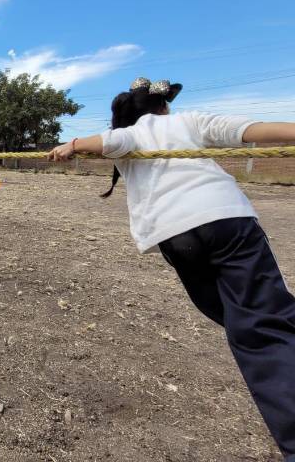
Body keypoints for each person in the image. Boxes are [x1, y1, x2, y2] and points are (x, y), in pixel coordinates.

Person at [48, 77, 295, 462]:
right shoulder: (188, 123)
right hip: (227, 219)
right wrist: (77, 145)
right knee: (264, 325)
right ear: (164, 106)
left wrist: (73, 144)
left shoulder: (129, 134)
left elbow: (111, 142)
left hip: (177, 236)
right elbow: (249, 131)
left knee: (246, 323)